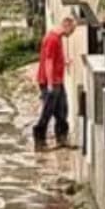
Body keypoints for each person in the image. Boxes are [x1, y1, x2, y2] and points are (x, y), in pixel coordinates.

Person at [33, 15, 75, 150]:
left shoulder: (57, 38)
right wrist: (50, 83)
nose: (72, 33)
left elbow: (54, 59)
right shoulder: (52, 39)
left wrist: (64, 62)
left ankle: (61, 138)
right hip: (50, 82)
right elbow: (48, 62)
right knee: (48, 111)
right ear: (67, 25)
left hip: (57, 80)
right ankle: (39, 141)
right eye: (72, 29)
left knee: (62, 110)